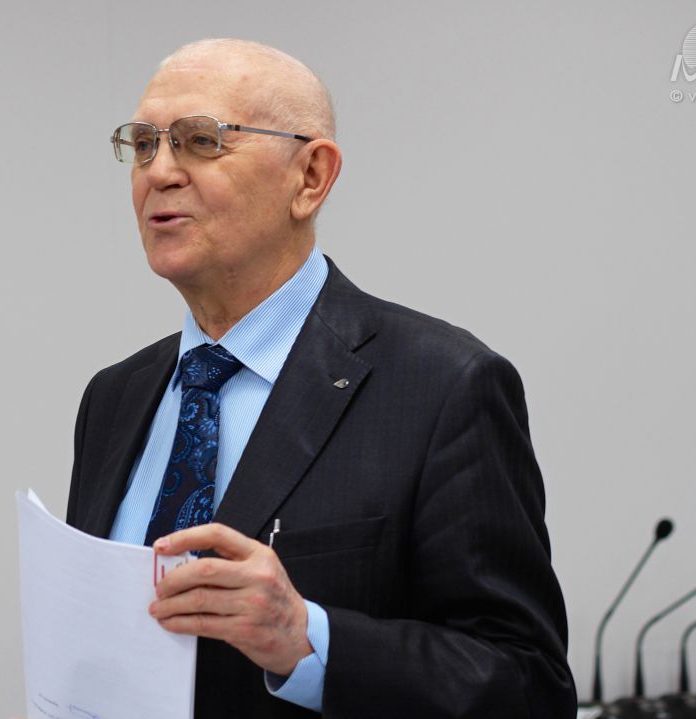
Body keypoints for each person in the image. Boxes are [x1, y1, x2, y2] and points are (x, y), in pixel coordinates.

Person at [65, 38, 576, 718]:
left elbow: (528, 686)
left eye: (199, 141)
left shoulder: (444, 388)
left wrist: (308, 639)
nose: (158, 172)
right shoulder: (115, 397)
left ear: (310, 176)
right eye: (143, 144)